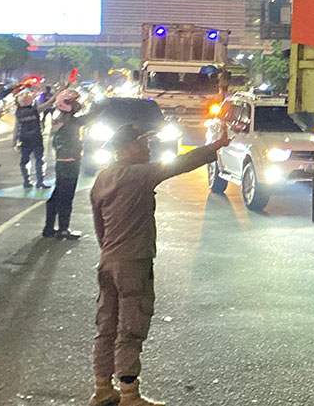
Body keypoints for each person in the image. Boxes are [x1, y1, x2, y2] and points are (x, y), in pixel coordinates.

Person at [89, 123, 229, 406]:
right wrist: (215, 146)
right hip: (133, 262)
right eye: (142, 142)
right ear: (127, 148)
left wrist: (109, 251)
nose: (148, 147)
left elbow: (99, 226)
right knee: (131, 326)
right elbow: (181, 164)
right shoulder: (140, 175)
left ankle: (102, 387)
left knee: (107, 324)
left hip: (108, 261)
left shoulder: (103, 178)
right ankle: (129, 394)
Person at [45, 89, 95, 239]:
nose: (77, 105)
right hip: (69, 162)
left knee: (57, 195)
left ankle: (49, 228)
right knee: (66, 197)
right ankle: (63, 229)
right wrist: (102, 107)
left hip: (64, 162)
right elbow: (87, 118)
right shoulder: (68, 120)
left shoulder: (62, 118)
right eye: (74, 102)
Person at [14, 91, 49, 189]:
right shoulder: (35, 110)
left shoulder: (18, 112)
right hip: (36, 138)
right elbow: (48, 104)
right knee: (39, 160)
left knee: (24, 161)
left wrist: (15, 140)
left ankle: (26, 181)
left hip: (24, 139)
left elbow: (16, 127)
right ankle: (39, 182)